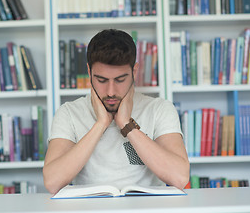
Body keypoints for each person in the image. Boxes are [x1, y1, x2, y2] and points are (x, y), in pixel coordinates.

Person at [43, 29, 189, 194]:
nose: (111, 91)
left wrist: (126, 124)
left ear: (134, 72)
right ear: (89, 73)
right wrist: (101, 124)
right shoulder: (69, 113)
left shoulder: (159, 109)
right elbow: (52, 182)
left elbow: (180, 178)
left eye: (120, 80)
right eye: (102, 80)